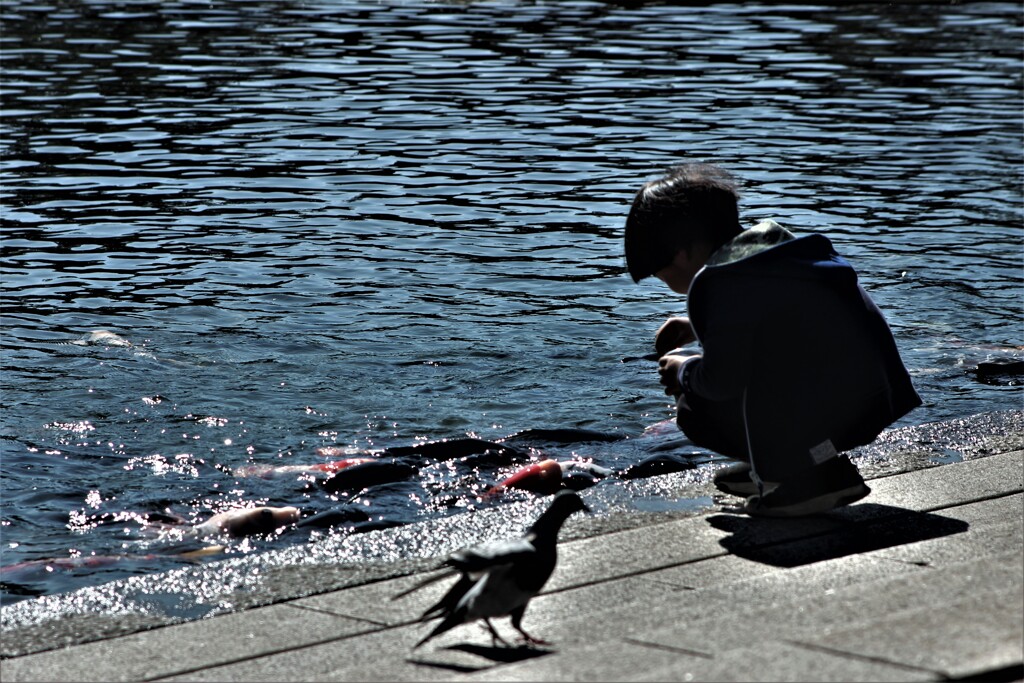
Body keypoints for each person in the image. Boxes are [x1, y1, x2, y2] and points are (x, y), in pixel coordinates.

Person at [624, 163, 922, 517]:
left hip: (835, 415)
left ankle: (805, 477)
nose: (665, 281)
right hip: (878, 401)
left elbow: (721, 381)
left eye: (660, 273)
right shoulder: (779, 249)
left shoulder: (715, 280)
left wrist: (682, 370)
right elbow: (784, 320)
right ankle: (801, 466)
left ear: (681, 252)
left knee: (694, 408)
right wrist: (697, 325)